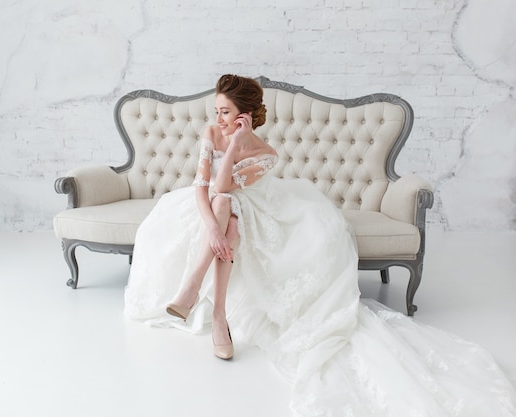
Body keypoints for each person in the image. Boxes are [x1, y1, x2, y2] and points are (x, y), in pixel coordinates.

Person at [124, 75, 516, 416]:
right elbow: (203, 189)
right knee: (226, 215)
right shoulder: (210, 135)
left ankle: (202, 299)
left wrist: (240, 139)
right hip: (210, 209)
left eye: (226, 113)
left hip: (253, 205)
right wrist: (210, 227)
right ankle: (214, 313)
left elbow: (225, 184)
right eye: (217, 111)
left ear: (244, 115)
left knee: (232, 209)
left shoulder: (265, 153)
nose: (218, 120)